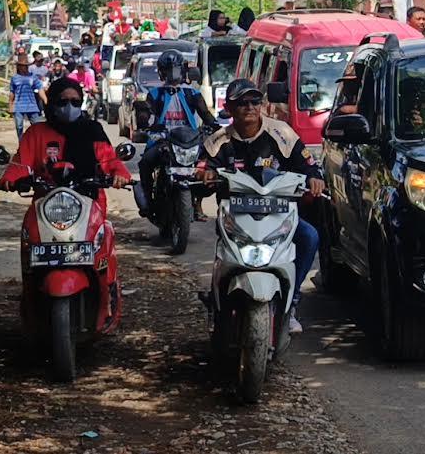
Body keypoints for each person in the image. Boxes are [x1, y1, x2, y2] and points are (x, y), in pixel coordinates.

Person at [196, 79, 325, 334]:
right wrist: (204, 176)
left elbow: (308, 166)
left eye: (255, 101)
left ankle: (292, 301)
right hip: (236, 217)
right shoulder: (218, 140)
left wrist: (314, 178)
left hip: (278, 214)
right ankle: (217, 304)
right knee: (224, 256)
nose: (250, 107)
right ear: (229, 108)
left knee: (309, 237)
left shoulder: (282, 134)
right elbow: (203, 168)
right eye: (242, 103)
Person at [0, 78, 130, 204]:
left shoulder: (92, 130)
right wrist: (10, 179)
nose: (70, 107)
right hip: (46, 202)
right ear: (52, 102)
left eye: (75, 102)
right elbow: (21, 164)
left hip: (89, 201)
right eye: (62, 101)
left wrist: (120, 174)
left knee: (101, 229)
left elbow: (109, 159)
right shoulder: (36, 133)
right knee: (31, 227)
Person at [136, 50, 217, 221]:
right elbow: (146, 115)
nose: (172, 73)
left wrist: (216, 127)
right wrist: (143, 116)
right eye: (168, 69)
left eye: (175, 69)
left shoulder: (192, 93)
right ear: (161, 72)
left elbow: (206, 115)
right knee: (145, 163)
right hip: (162, 140)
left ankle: (197, 203)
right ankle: (148, 202)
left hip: (189, 141)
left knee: (207, 166)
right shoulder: (155, 93)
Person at [9, 55, 46, 140]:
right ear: (19, 66)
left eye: (26, 66)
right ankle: (21, 144)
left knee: (37, 126)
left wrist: (45, 100)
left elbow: (40, 89)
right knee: (19, 127)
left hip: (32, 105)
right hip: (19, 106)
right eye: (22, 66)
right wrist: (10, 105)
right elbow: (12, 92)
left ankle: (37, 142)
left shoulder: (33, 77)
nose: (24, 67)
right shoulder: (15, 78)